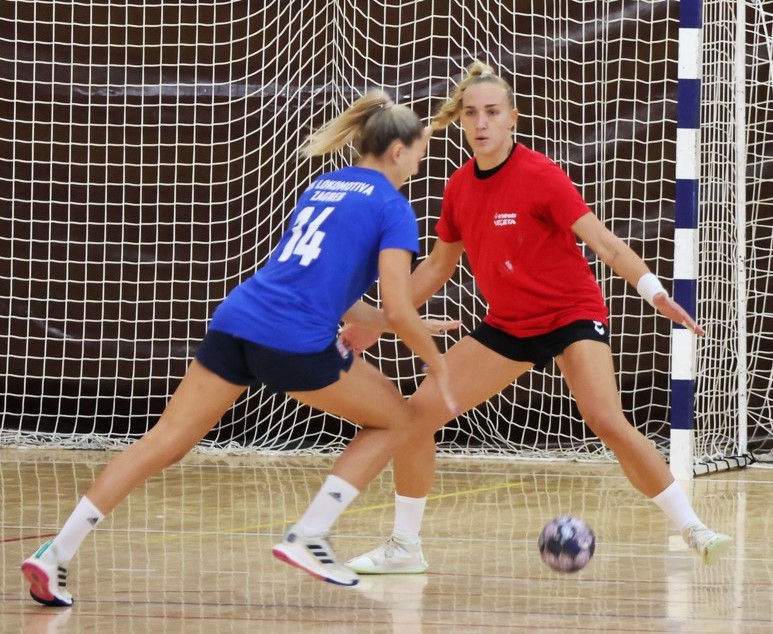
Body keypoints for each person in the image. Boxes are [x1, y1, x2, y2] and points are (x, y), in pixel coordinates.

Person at [20, 90, 460, 606]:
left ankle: (55, 553)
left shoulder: (324, 185)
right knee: (400, 420)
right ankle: (310, 535)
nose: (419, 164)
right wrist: (436, 363)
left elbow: (338, 296)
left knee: (164, 441)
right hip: (292, 339)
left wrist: (399, 323)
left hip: (239, 320)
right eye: (420, 153)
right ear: (398, 152)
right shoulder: (393, 206)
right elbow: (397, 306)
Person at [339, 62, 733, 575]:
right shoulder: (459, 187)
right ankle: (404, 547)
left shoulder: (541, 175)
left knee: (606, 420)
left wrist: (654, 291)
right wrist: (377, 320)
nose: (481, 122)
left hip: (571, 315)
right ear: (461, 120)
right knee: (415, 419)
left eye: (492, 112)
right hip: (509, 326)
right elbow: (437, 266)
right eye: (471, 113)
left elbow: (605, 244)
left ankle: (693, 528)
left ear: (513, 119)